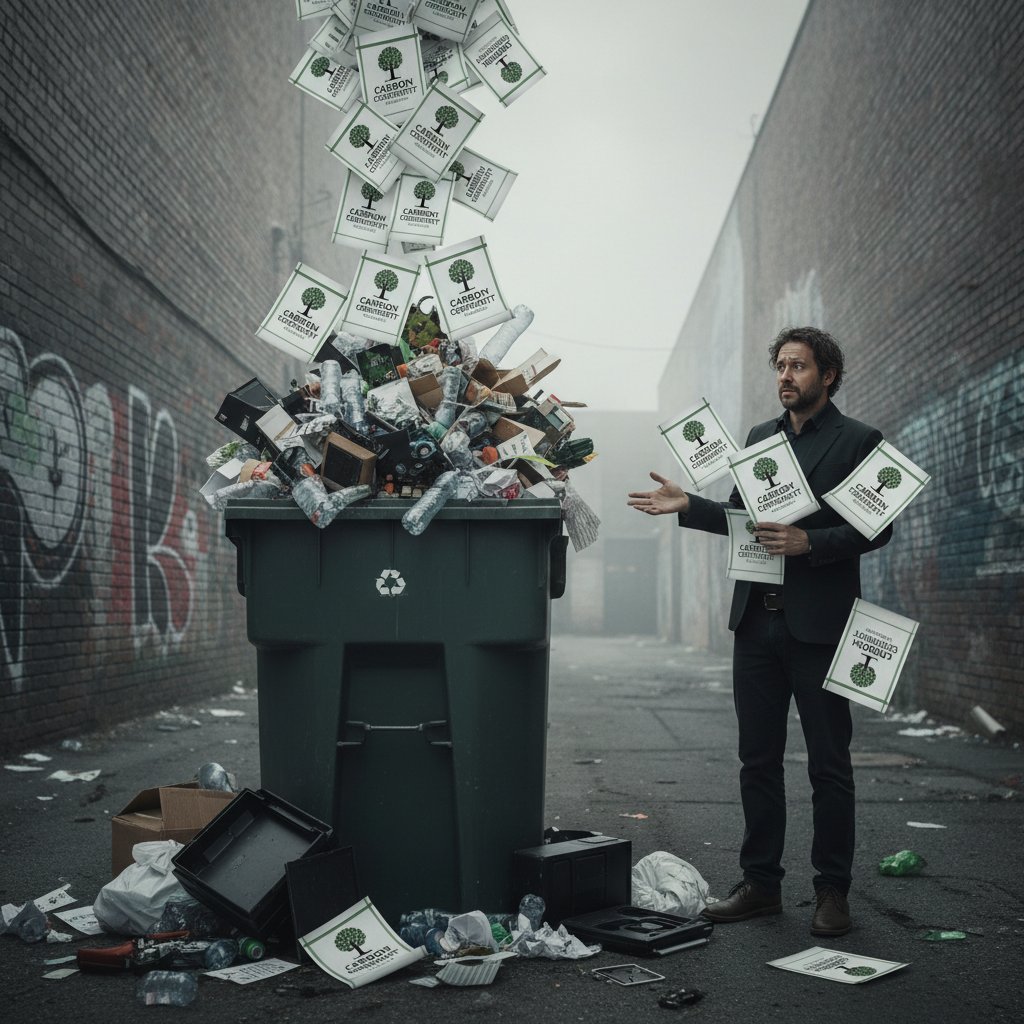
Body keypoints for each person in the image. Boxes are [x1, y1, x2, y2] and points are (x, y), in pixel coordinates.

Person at [627, 326, 892, 937]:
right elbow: (747, 522)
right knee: (757, 761)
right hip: (756, 623)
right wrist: (690, 506)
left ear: (827, 375)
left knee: (829, 766)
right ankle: (761, 886)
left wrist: (812, 542)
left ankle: (832, 893)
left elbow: (879, 528)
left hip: (820, 627)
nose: (785, 376)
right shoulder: (760, 440)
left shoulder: (858, 441)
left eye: (797, 366)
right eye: (779, 366)